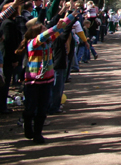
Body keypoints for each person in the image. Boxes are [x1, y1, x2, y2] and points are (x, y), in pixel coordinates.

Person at [15, 10, 78, 143]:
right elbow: (49, 33)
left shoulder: (49, 42)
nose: (46, 30)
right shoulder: (33, 43)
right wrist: (57, 26)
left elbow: (60, 30)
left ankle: (38, 134)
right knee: (31, 108)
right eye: (43, 28)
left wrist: (71, 16)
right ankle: (28, 125)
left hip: (47, 81)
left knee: (43, 109)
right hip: (33, 81)